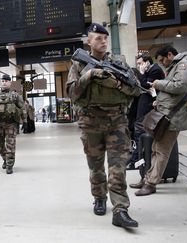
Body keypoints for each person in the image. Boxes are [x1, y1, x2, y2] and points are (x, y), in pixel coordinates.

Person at [66, 23, 140, 228]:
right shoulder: (79, 64)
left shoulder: (119, 63)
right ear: (89, 41)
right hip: (90, 123)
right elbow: (72, 93)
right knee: (96, 166)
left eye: (105, 38)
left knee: (118, 168)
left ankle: (120, 209)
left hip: (117, 122)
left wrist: (115, 83)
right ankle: (99, 197)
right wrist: (89, 76)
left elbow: (135, 89)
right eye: (98, 38)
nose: (103, 41)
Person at [134, 45, 187, 196]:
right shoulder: (177, 65)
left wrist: (158, 83)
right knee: (156, 148)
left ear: (170, 55)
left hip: (173, 116)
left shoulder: (184, 64)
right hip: (167, 113)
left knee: (161, 150)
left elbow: (179, 86)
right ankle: (148, 178)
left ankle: (151, 183)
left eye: (162, 60)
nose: (162, 64)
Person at [126, 54, 165, 171]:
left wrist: (142, 73)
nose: (139, 66)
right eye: (138, 64)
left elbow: (145, 85)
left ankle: (136, 161)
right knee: (138, 134)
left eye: (141, 63)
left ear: (147, 62)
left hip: (147, 108)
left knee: (140, 133)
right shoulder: (151, 71)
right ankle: (136, 160)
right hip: (143, 107)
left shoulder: (155, 70)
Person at [0, 74, 26, 174]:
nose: (4, 82)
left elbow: (22, 108)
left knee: (10, 146)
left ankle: (9, 165)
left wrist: (25, 121)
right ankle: (5, 159)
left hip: (11, 124)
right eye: (2, 81)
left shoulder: (15, 96)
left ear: (10, 83)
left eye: (6, 81)